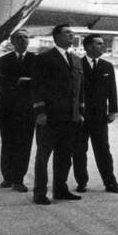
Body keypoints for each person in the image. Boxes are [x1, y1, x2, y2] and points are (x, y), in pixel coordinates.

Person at [31, 24, 84, 205]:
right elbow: (37, 86)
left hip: (70, 118)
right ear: (57, 37)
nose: (72, 36)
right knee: (43, 157)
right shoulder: (44, 58)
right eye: (67, 33)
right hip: (50, 117)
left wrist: (80, 112)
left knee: (64, 156)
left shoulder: (76, 60)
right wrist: (40, 111)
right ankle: (39, 193)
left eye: (72, 33)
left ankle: (60, 189)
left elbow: (79, 89)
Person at [73, 35, 118, 195]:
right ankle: (81, 182)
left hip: (99, 116)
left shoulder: (107, 66)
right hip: (81, 116)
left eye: (103, 44)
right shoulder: (77, 65)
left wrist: (113, 111)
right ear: (88, 46)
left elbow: (112, 90)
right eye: (99, 44)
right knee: (80, 150)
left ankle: (110, 182)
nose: (103, 47)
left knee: (103, 150)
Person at [0, 30, 37, 192]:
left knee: (24, 144)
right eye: (19, 37)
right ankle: (7, 177)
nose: (23, 40)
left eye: (26, 37)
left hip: (27, 109)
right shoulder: (4, 60)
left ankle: (19, 179)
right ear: (12, 41)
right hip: (7, 108)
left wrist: (22, 82)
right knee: (7, 143)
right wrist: (18, 81)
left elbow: (40, 80)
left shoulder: (36, 60)